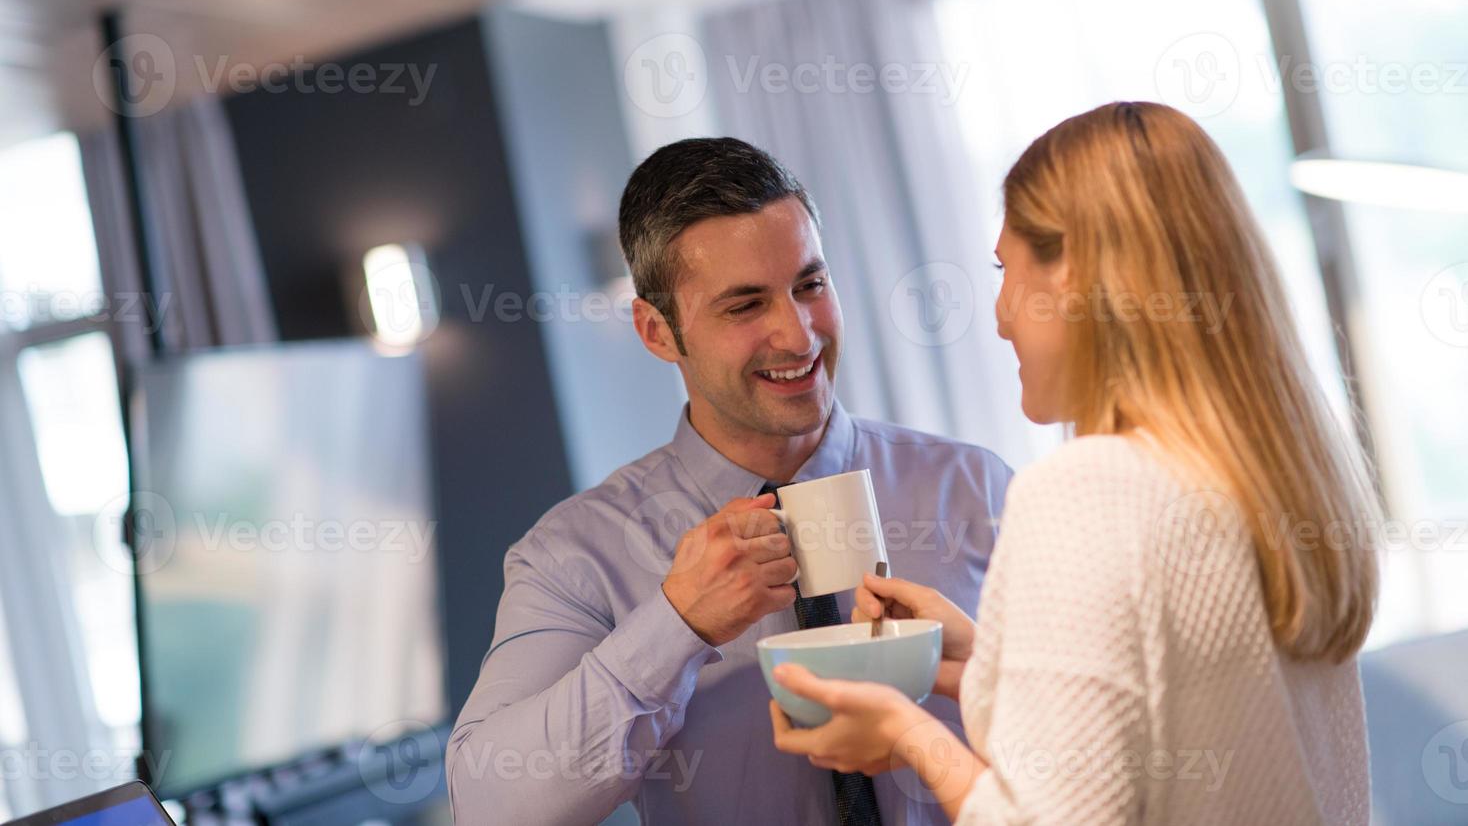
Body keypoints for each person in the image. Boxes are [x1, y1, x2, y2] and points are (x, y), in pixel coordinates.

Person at [769, 102, 1379, 825]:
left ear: (1079, 276)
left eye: (1006, 268)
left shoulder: (1088, 488)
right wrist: (993, 660)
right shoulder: (1274, 481)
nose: (998, 315)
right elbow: (1172, 727)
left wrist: (908, 732)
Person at [447, 137, 1013, 824]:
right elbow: (489, 804)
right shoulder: (575, 554)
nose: (799, 335)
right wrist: (676, 623)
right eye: (745, 306)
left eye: (810, 284)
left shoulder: (975, 489)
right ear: (657, 332)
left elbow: (1092, 734)